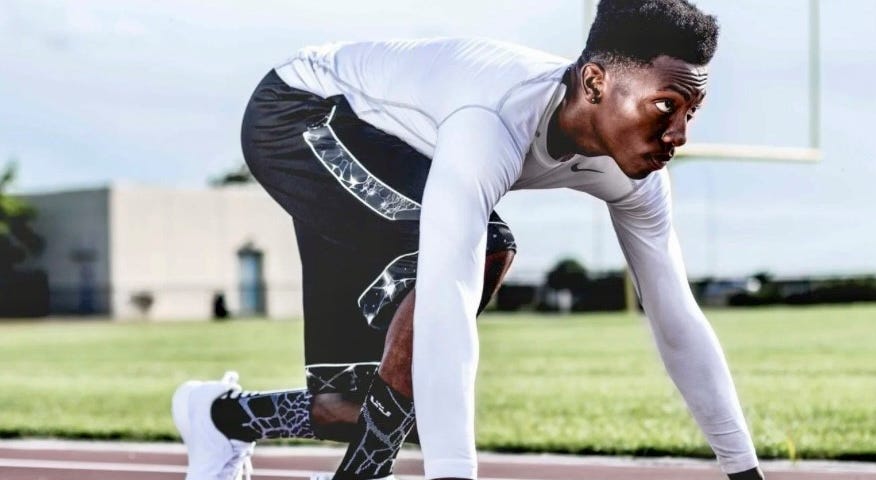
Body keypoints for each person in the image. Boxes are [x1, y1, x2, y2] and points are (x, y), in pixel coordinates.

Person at [171, 1, 765, 479]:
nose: (680, 133)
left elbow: (677, 320)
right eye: (665, 105)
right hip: (301, 114)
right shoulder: (492, 120)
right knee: (482, 252)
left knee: (350, 408)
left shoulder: (638, 176)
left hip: (393, 149)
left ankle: (219, 417)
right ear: (593, 82)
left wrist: (743, 471)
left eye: (692, 111)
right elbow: (448, 298)